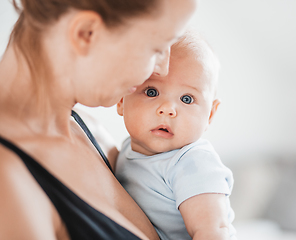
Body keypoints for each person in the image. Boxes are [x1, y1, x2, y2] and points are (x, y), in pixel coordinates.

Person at [0, 0, 197, 239]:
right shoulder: (7, 181)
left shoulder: (93, 133)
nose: (162, 69)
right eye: (156, 48)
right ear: (86, 33)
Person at [115, 31, 237, 240]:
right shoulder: (127, 148)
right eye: (151, 92)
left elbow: (213, 232)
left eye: (187, 99)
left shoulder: (193, 163)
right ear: (121, 99)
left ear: (210, 114)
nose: (168, 109)